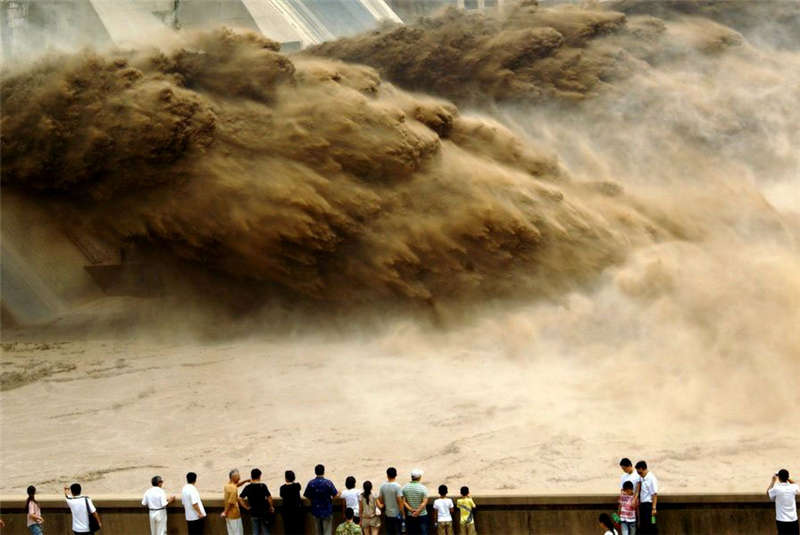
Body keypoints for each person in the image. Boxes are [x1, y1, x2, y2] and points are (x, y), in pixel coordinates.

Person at [304, 464, 339, 535]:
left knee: (318, 532)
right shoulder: (328, 483)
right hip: (327, 511)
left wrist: (313, 500)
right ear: (324, 472)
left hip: (316, 510)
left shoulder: (311, 483)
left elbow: (307, 495)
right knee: (327, 532)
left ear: (315, 472)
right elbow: (335, 494)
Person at [241, 468, 275, 535]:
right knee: (265, 531)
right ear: (259, 476)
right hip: (263, 512)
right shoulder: (263, 486)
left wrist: (246, 507)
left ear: (251, 476)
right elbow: (269, 497)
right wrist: (271, 506)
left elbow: (240, 498)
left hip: (253, 512)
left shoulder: (248, 487)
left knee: (255, 531)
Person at [768, 469, 799, 535]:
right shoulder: (793, 487)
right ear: (787, 477)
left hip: (781, 520)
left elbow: (768, 493)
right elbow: (795, 484)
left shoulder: (776, 488)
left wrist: (773, 481)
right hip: (793, 519)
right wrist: (788, 478)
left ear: (779, 478)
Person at [402, 469, 429, 535]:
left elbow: (404, 501)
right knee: (424, 532)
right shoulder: (423, 488)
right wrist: (418, 511)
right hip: (422, 514)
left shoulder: (405, 487)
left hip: (410, 515)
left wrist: (411, 510)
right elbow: (424, 502)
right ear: (420, 477)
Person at [378, 467, 404, 535]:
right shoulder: (397, 486)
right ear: (396, 475)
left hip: (387, 514)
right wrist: (403, 514)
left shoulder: (382, 486)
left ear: (387, 475)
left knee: (389, 532)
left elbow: (380, 499)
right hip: (397, 514)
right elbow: (399, 501)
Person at [222, 469, 248, 535]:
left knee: (231, 532)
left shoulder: (227, 486)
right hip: (234, 515)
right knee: (238, 532)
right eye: (238, 477)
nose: (239, 478)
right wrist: (225, 512)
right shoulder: (234, 489)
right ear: (234, 477)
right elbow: (231, 502)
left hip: (228, 516)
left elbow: (236, 485)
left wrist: (245, 481)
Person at [635, 461, 658, 534]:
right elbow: (639, 484)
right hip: (643, 505)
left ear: (642, 469)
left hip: (649, 506)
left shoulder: (651, 478)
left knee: (651, 524)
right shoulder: (642, 477)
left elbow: (654, 494)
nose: (639, 474)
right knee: (643, 526)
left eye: (639, 472)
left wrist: (654, 508)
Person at [280, 470, 304, 535]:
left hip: (287, 512)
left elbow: (281, 495)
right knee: (298, 530)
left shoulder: (282, 488)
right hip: (297, 512)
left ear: (285, 478)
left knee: (288, 530)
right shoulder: (297, 486)